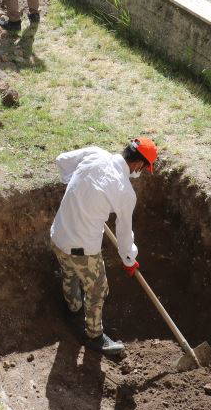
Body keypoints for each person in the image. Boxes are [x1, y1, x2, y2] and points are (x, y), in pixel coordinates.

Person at [50, 138, 158, 357]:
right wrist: (129, 259)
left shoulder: (94, 153)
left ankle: (73, 309)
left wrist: (77, 185)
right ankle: (94, 335)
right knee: (98, 289)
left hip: (57, 235)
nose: (141, 172)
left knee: (69, 273)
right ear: (138, 165)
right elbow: (124, 234)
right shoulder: (125, 191)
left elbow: (61, 160)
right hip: (82, 249)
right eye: (144, 169)